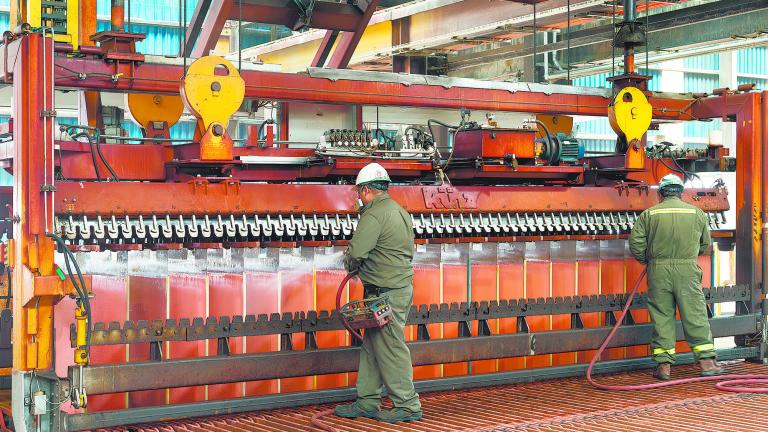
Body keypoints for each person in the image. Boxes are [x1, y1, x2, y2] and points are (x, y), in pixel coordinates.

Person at [333, 162, 423, 423]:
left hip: (387, 294)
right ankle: (368, 401)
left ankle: (407, 405)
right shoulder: (399, 211)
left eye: (359, 192)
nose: (358, 197)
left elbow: (358, 252)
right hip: (393, 289)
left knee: (391, 346)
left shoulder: (373, 215)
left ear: (366, 190)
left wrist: (349, 262)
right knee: (373, 345)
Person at [629, 173, 723, 380]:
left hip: (659, 270)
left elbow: (635, 244)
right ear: (681, 193)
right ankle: (707, 363)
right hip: (687, 269)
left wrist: (650, 260)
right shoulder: (696, 213)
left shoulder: (649, 214)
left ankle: (663, 367)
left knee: (662, 317)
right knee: (695, 314)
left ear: (661, 194)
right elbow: (705, 245)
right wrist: (687, 256)